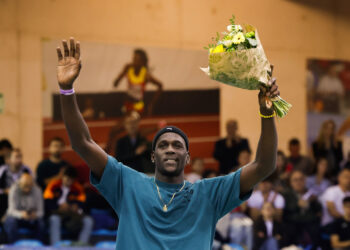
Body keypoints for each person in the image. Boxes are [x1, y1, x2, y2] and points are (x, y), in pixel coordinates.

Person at [55, 37, 279, 249]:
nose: (170, 149)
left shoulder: (209, 193)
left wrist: (267, 114)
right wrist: (66, 90)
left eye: (177, 145)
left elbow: (264, 165)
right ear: (153, 157)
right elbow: (82, 143)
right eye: (163, 145)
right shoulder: (127, 183)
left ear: (188, 157)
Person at [44, 166, 93, 245]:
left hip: (73, 215)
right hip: (57, 213)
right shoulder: (53, 185)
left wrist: (75, 207)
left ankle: (82, 246)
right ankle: (56, 246)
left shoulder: (78, 188)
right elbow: (47, 201)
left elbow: (82, 204)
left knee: (88, 221)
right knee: (54, 219)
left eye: (71, 180)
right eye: (67, 179)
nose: (69, 182)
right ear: (63, 177)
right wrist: (58, 207)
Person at [113, 48, 163, 115]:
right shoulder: (129, 68)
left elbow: (160, 85)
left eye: (136, 59)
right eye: (133, 58)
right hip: (127, 104)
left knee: (132, 120)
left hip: (138, 106)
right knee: (126, 121)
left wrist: (151, 104)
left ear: (142, 62)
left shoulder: (145, 74)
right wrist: (121, 74)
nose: (133, 61)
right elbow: (115, 84)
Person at [282, 170, 322, 248]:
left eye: (301, 179)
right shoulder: (286, 194)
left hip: (309, 225)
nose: (298, 182)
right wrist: (298, 205)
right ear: (291, 182)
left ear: (305, 180)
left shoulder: (310, 193)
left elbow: (318, 210)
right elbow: (285, 210)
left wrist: (313, 201)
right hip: (292, 225)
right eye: (295, 180)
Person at [4, 174, 45, 243]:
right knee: (10, 221)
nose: (27, 189)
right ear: (20, 184)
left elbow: (41, 212)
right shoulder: (14, 189)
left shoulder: (38, 190)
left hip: (32, 217)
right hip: (17, 217)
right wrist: (21, 214)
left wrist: (35, 215)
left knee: (41, 224)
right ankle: (13, 246)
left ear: (32, 184)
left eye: (29, 186)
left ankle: (38, 246)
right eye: (25, 186)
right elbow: (11, 210)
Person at [0, 148, 32, 219]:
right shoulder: (2, 170)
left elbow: (34, 187)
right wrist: (5, 191)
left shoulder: (26, 170)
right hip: (6, 199)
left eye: (20, 157)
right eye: (16, 157)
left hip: (22, 198)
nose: (19, 159)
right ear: (9, 160)